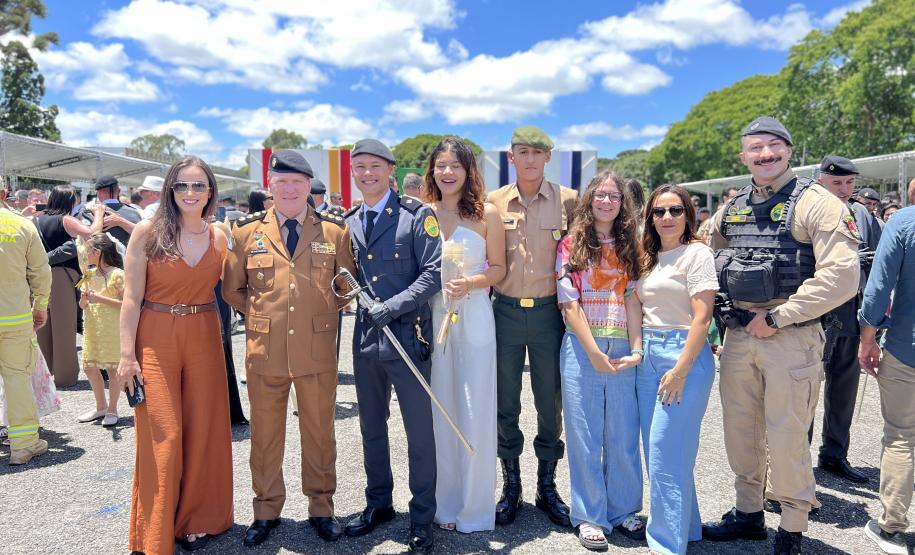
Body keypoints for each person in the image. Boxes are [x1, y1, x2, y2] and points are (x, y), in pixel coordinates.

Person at [702, 116, 861, 554]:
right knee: (740, 430)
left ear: (790, 150)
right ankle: (749, 514)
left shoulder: (819, 203)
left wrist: (779, 318)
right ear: (743, 157)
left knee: (788, 433)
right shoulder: (732, 208)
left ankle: (792, 524)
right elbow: (704, 254)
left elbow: (843, 277)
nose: (765, 154)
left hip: (790, 336)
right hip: (739, 337)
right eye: (755, 148)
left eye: (774, 145)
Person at [223, 150, 354, 546]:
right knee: (264, 436)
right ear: (270, 186)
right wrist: (267, 315)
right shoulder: (246, 233)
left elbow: (345, 287)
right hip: (267, 351)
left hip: (316, 351)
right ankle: (265, 511)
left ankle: (321, 508)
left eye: (298, 182)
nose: (290, 189)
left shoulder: (334, 232)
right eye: (282, 182)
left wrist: (315, 313)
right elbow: (233, 289)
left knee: (319, 433)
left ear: (309, 186)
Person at [118, 156, 233, 554]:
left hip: (204, 332)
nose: (189, 193)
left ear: (210, 191)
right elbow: (131, 298)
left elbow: (242, 287)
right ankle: (156, 531)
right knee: (163, 434)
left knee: (204, 430)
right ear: (170, 189)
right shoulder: (148, 232)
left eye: (198, 185)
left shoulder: (220, 235)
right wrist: (126, 356)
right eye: (182, 185)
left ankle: (196, 520)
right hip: (156, 336)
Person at [342, 138, 441, 553]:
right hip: (366, 338)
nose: (367, 173)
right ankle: (379, 505)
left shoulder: (417, 216)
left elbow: (433, 273)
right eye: (359, 167)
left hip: (407, 337)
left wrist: (393, 306)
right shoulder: (348, 220)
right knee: (371, 429)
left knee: (419, 434)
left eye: (375, 167)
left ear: (391, 171)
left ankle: (421, 518)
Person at [486, 125, 578, 527]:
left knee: (549, 400)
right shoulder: (492, 203)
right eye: (522, 152)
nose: (529, 159)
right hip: (504, 311)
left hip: (548, 314)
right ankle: (511, 487)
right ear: (511, 158)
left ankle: (547, 485)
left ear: (547, 158)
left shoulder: (569, 201)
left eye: (537, 153)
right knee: (504, 400)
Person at [555, 170, 644, 551]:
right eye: (601, 195)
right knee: (585, 435)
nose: (607, 202)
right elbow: (568, 303)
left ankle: (624, 509)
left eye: (614, 196)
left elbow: (634, 300)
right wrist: (593, 352)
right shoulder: (570, 244)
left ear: (623, 203)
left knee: (623, 433)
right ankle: (590, 515)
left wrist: (637, 348)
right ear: (589, 199)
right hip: (581, 344)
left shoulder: (633, 244)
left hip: (623, 344)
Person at [422, 138, 505, 533]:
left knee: (474, 409)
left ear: (469, 171)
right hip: (437, 317)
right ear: (432, 171)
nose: (448, 172)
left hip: (474, 317)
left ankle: (474, 507)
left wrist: (472, 281)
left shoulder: (486, 213)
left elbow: (500, 269)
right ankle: (446, 503)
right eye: (441, 165)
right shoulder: (423, 213)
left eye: (456, 165)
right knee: (443, 409)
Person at [634, 185, 718, 554]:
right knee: (665, 455)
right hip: (649, 355)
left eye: (675, 210)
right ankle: (688, 529)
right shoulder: (647, 256)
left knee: (664, 453)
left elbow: (703, 317)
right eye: (659, 212)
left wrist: (681, 369)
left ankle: (666, 546)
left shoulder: (697, 254)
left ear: (688, 213)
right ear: (650, 218)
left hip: (683, 356)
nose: (667, 218)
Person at [807, 156, 881, 484]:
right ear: (821, 180)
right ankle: (795, 461)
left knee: (845, 384)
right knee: (805, 386)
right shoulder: (807, 208)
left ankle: (835, 453)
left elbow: (877, 258)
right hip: (817, 310)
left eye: (850, 183)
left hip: (852, 309)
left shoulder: (862, 213)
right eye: (838, 183)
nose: (845, 189)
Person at [858, 204, 915, 555]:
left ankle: (892, 528)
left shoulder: (904, 221)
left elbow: (879, 287)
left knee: (901, 436)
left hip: (906, 348)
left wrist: (867, 337)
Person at [36, 187, 104, 387]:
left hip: (38, 276)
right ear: (70, 201)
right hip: (61, 276)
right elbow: (92, 234)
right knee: (64, 327)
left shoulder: (35, 219)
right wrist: (99, 215)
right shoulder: (66, 219)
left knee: (41, 328)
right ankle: (65, 377)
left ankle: (43, 377)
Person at [0, 203, 51, 465]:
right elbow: (41, 272)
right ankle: (23, 446)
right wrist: (40, 305)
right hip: (14, 317)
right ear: (3, 194)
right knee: (17, 378)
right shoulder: (21, 224)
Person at [77, 233, 126, 427]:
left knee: (113, 369)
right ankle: (101, 406)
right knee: (89, 367)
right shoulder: (88, 273)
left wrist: (99, 298)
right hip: (92, 325)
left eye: (87, 252)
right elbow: (82, 305)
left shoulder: (118, 274)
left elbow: (126, 304)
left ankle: (112, 409)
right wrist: (84, 298)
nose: (85, 256)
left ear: (97, 252)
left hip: (112, 327)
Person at [78, 176, 141, 248]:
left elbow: (84, 240)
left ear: (98, 193)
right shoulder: (134, 212)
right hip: (129, 258)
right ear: (119, 191)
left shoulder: (88, 213)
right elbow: (145, 236)